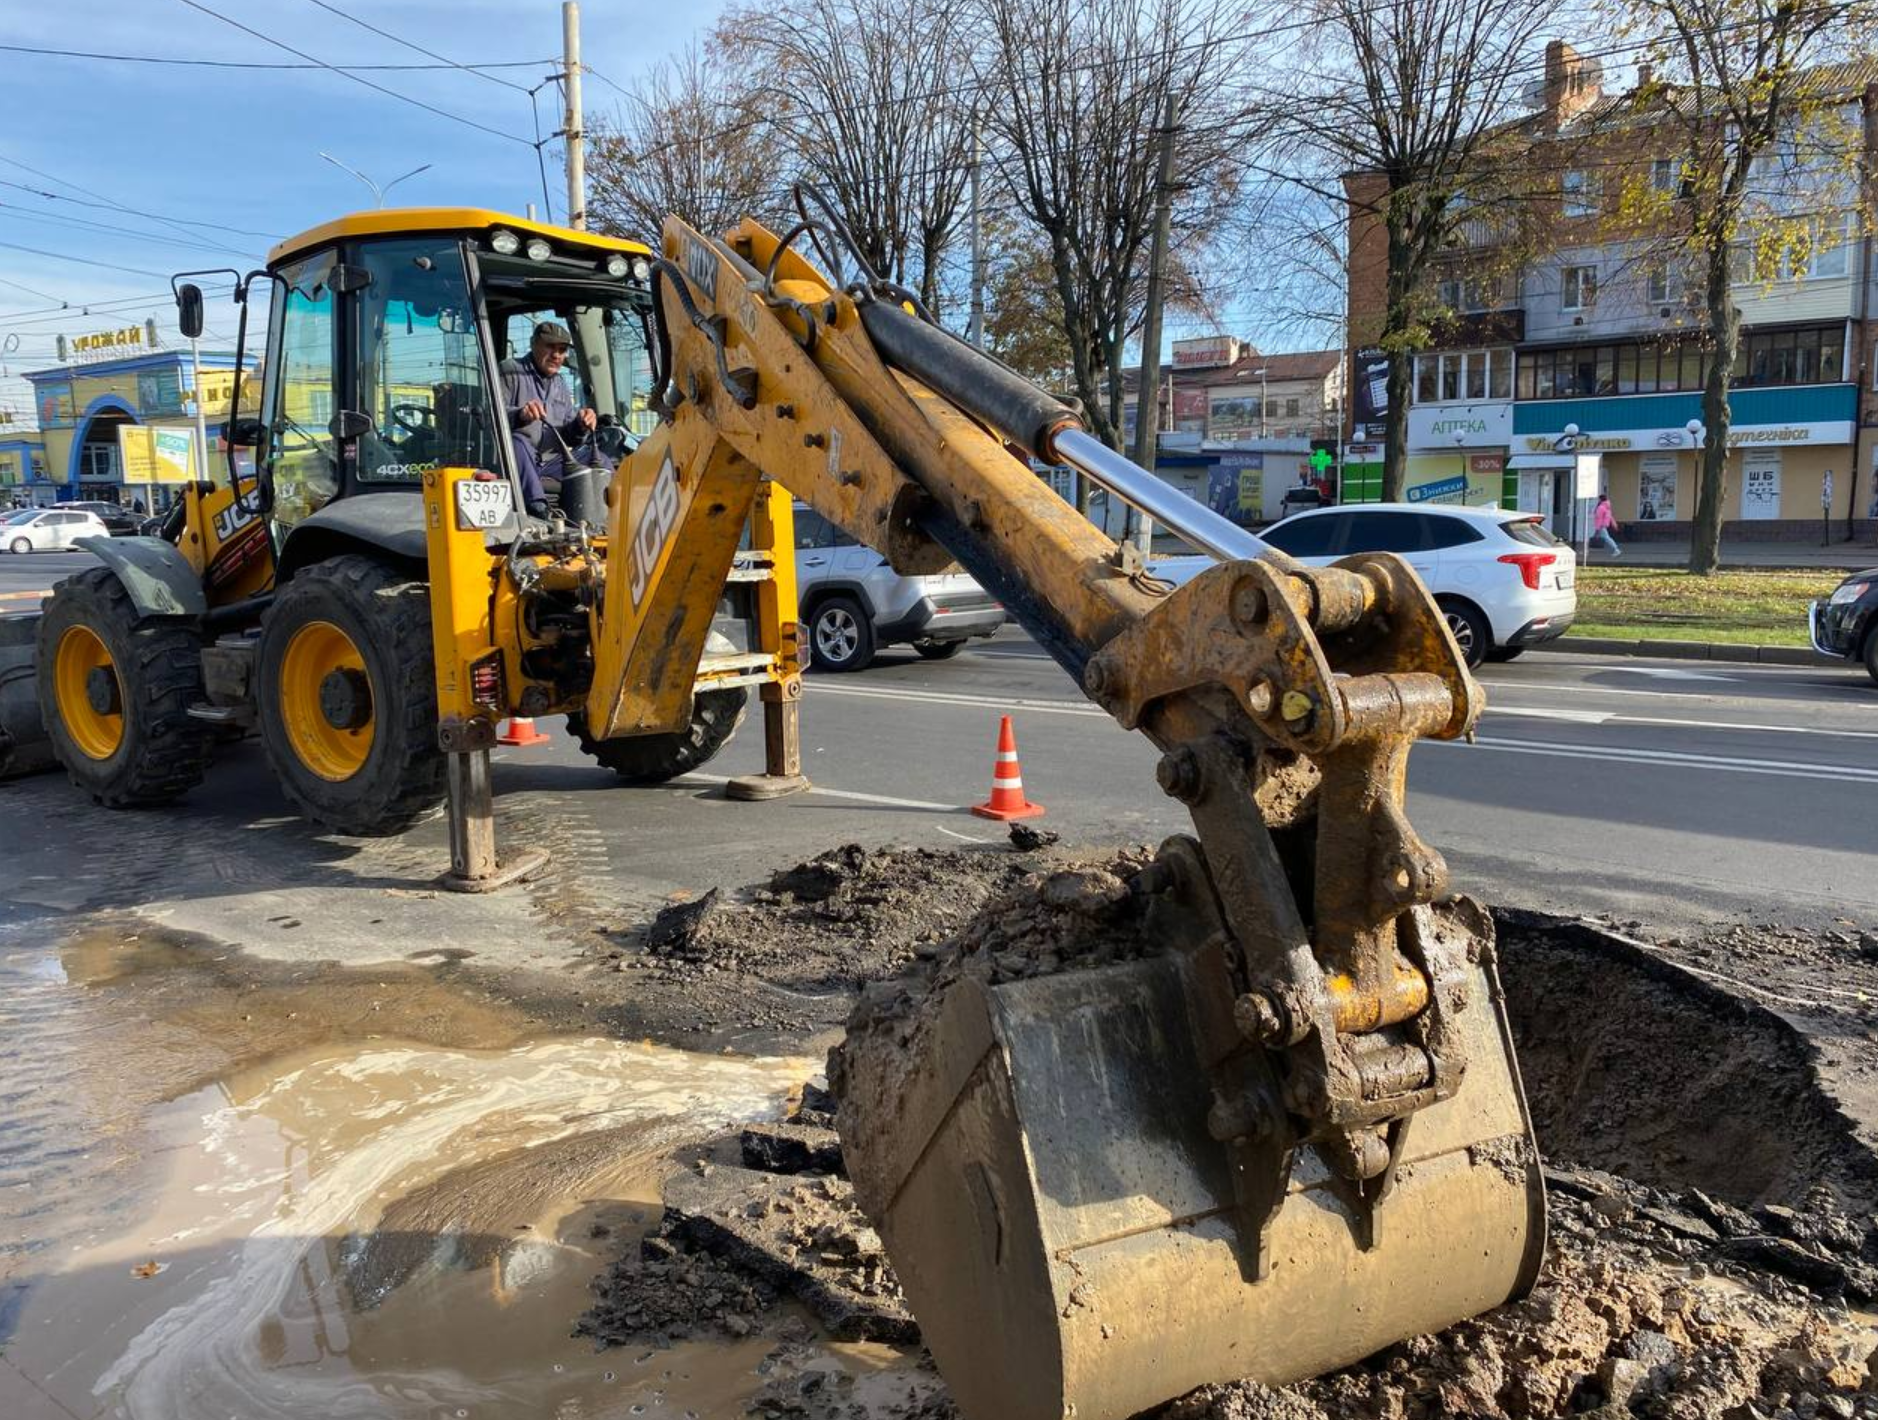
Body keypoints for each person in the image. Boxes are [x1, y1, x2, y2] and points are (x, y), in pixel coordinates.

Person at [500, 320, 610, 517]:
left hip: (551, 463)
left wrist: (580, 425)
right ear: (533, 343)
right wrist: (521, 415)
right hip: (519, 462)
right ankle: (539, 508)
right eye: (550, 347)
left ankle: (611, 510)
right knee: (516, 441)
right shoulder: (510, 371)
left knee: (601, 459)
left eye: (562, 350)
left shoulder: (560, 383)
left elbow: (569, 436)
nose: (557, 355)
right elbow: (493, 419)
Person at [1591, 492, 1621, 557]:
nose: (1598, 500)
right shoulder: (1607, 507)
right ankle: (1589, 550)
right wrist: (1614, 525)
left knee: (1606, 538)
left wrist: (1598, 528)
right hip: (1603, 525)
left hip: (1601, 525)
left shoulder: (1601, 507)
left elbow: (1599, 518)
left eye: (1598, 499)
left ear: (1601, 499)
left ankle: (1616, 549)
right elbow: (1610, 517)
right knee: (1599, 536)